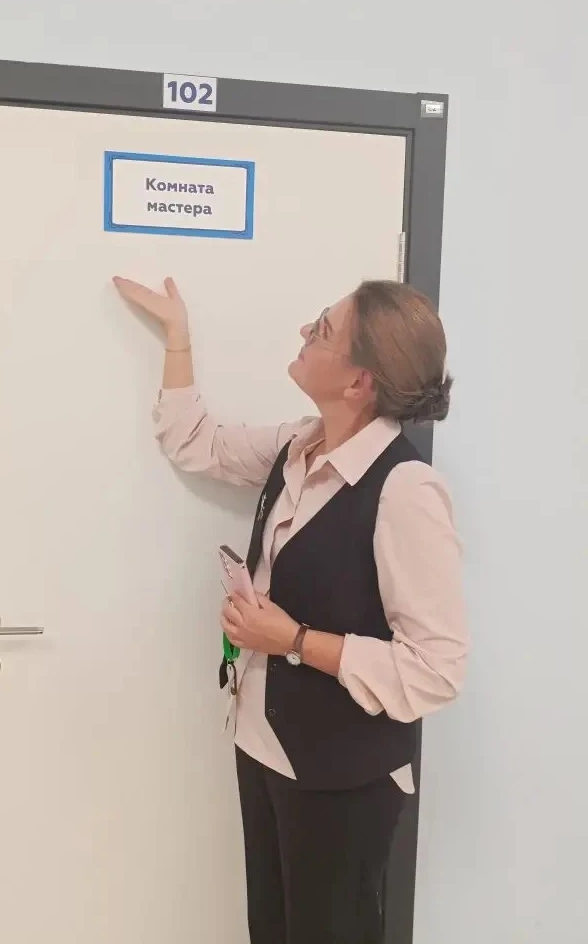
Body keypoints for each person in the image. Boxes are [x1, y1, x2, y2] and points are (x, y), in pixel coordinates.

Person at [113, 275, 468, 944]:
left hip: (343, 777)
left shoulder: (406, 491)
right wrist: (177, 336)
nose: (306, 331)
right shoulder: (297, 448)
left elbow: (436, 670)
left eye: (324, 329)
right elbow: (195, 440)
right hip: (263, 743)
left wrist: (296, 639)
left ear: (360, 382)